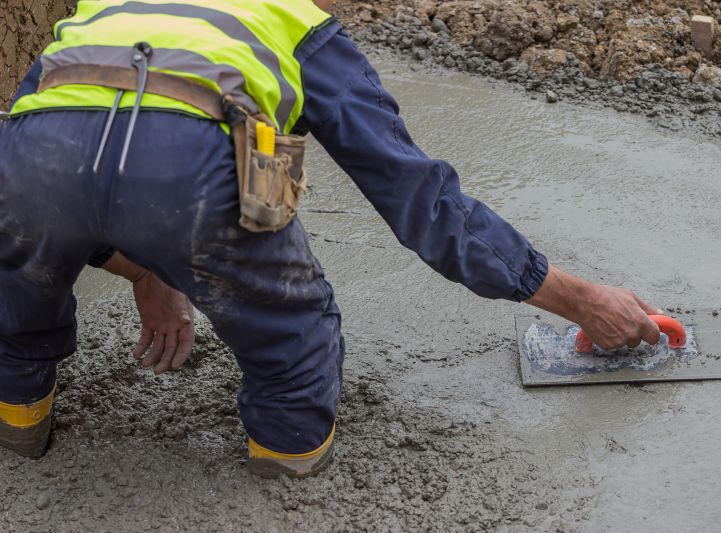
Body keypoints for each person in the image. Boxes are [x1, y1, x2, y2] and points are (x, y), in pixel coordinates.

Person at [0, 0, 661, 477]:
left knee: (24, 265)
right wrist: (579, 300)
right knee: (296, 320)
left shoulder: (104, 11)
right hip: (187, 172)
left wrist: (149, 272)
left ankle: (19, 412)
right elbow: (421, 200)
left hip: (32, 159)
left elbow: (52, 168)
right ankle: (286, 455)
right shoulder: (294, 23)